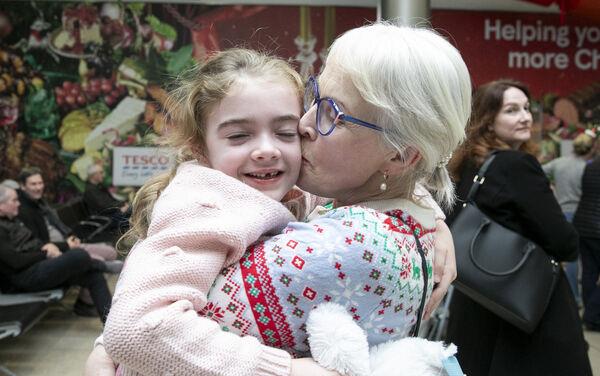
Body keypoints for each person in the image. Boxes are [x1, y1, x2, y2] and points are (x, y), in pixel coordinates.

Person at [89, 22, 469, 375]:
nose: (304, 127)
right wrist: (284, 370)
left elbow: (386, 182)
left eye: (327, 114)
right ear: (199, 148)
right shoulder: (207, 204)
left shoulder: (292, 191)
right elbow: (138, 324)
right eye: (315, 96)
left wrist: (429, 216)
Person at [445, 79, 592, 375]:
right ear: (487, 120)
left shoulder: (467, 165)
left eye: (527, 108)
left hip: (477, 299)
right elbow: (566, 244)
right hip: (523, 308)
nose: (525, 117)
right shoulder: (516, 166)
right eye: (511, 110)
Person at [0, 185, 113, 323]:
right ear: (1, 205)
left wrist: (52, 248)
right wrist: (45, 253)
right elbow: (16, 261)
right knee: (78, 255)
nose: (18, 203)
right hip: (23, 278)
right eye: (14, 200)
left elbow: (35, 245)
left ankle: (111, 325)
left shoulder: (11, 219)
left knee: (94, 276)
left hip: (37, 266)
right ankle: (104, 266)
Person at [16, 167, 123, 274]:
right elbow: (40, 243)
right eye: (33, 184)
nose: (38, 187)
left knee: (111, 252)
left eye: (40, 183)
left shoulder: (41, 203)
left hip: (68, 241)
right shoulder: (22, 211)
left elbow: (58, 225)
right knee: (97, 260)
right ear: (23, 186)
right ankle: (102, 267)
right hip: (56, 250)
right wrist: (66, 245)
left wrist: (70, 236)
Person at [542, 132, 596, 303]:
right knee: (584, 262)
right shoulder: (587, 167)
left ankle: (573, 296)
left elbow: (539, 171)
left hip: (561, 212)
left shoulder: (559, 163)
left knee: (569, 258)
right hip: (582, 213)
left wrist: (549, 186)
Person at [573, 132, 600, 330]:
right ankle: (592, 314)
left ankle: (590, 316)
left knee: (589, 272)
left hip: (583, 224)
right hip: (598, 227)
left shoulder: (590, 167)